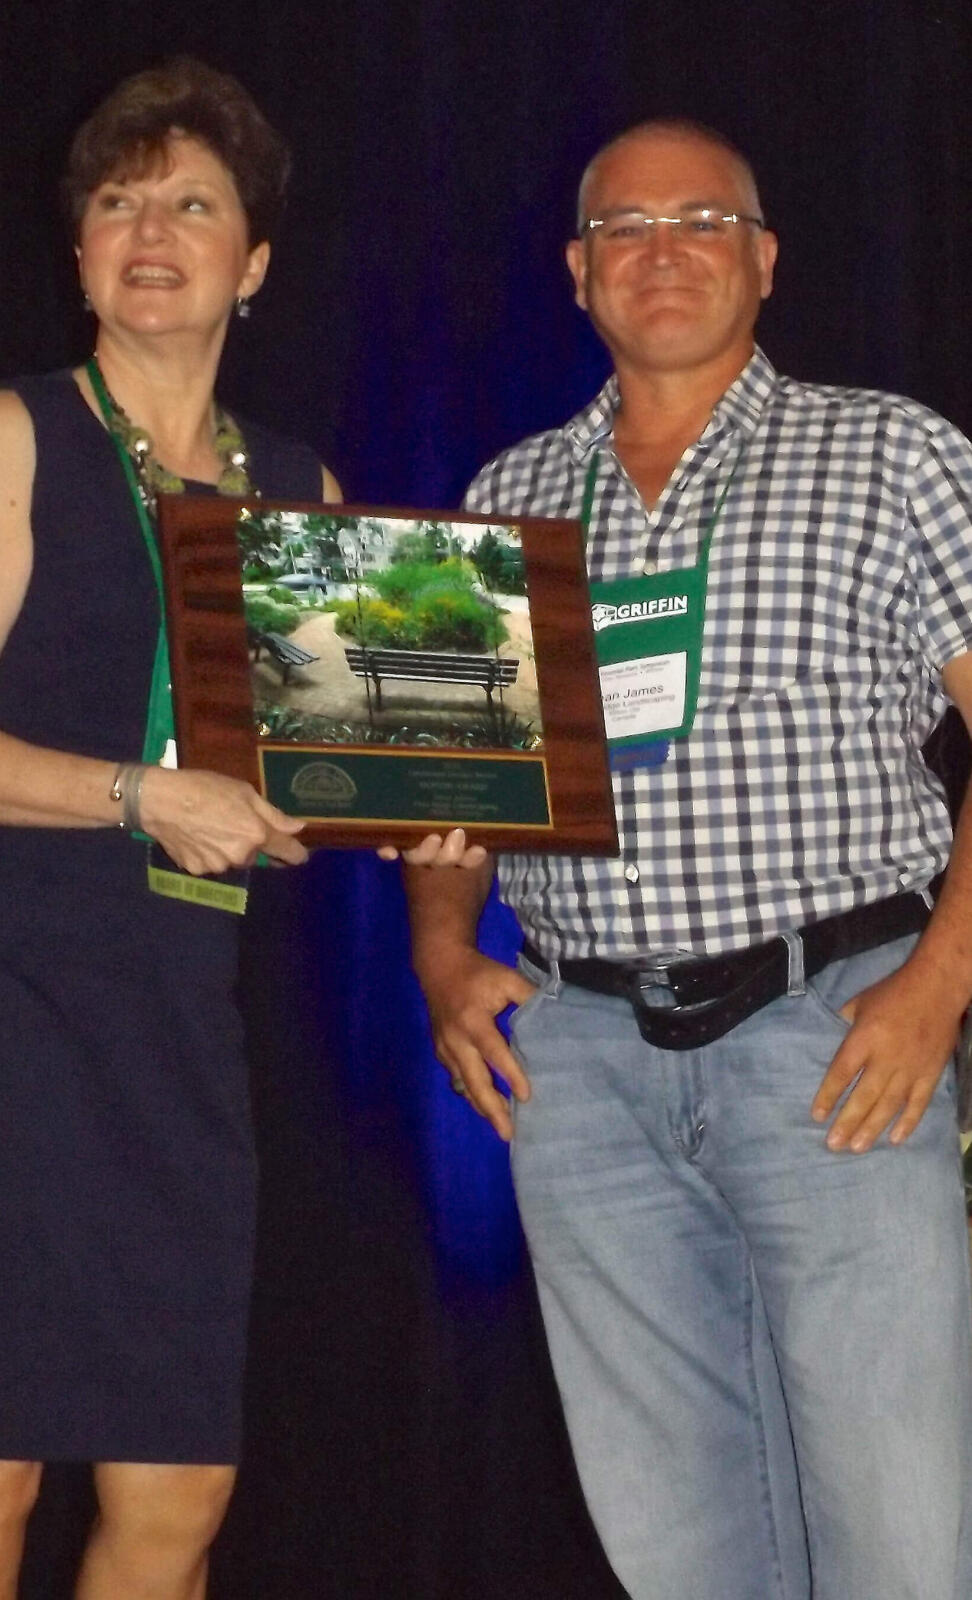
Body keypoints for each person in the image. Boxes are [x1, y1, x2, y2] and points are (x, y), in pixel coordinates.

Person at [0, 55, 481, 1600]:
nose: (149, 227)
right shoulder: (11, 434)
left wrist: (425, 816)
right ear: (80, 250)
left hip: (175, 1013)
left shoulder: (299, 490)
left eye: (192, 201)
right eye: (115, 200)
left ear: (258, 262)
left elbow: (343, 771)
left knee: (180, 1486)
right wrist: (139, 793)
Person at [404, 119, 972, 1600]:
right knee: (678, 1545)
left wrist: (940, 986)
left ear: (764, 259)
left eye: (702, 221)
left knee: (898, 1531)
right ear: (579, 273)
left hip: (838, 1034)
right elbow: (443, 790)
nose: (663, 251)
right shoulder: (504, 494)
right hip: (580, 1063)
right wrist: (442, 950)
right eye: (627, 228)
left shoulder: (893, 452)